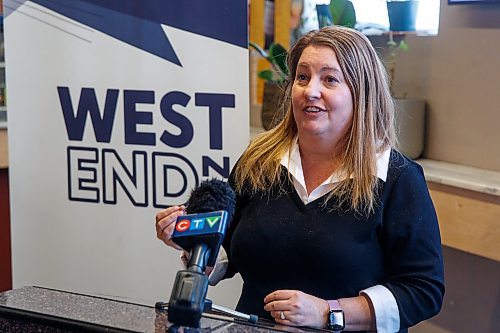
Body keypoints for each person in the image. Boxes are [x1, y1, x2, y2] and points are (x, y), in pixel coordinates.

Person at [156, 26, 444, 332]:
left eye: (329, 79)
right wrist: (195, 247)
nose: (310, 91)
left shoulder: (397, 179)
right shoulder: (258, 163)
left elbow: (423, 290)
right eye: (302, 77)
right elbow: (230, 252)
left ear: (361, 93)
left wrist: (328, 312)